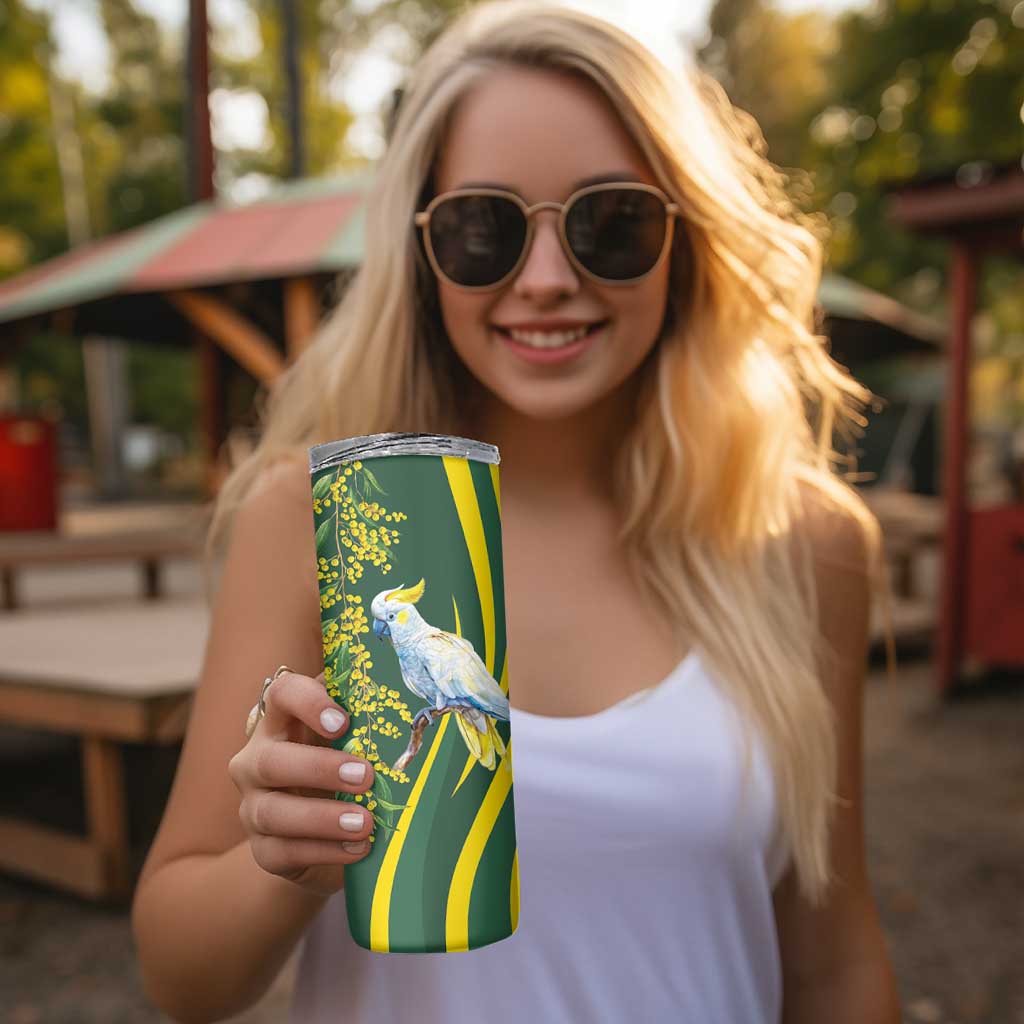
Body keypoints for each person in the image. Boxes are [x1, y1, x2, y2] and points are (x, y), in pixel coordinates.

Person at [131, 2, 902, 1021]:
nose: (546, 280)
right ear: (420, 250)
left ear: (687, 241)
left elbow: (833, 960)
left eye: (611, 223)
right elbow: (180, 975)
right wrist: (282, 858)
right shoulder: (326, 520)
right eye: (483, 228)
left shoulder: (803, 541)